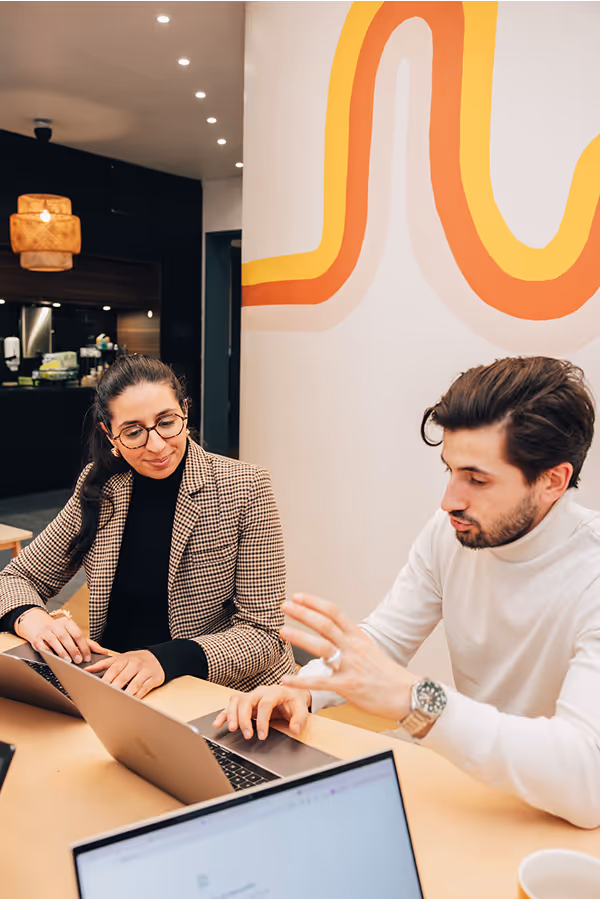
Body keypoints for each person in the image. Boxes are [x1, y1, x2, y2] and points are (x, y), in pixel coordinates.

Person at [215, 356, 600, 828]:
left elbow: (586, 780)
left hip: (551, 819)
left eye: (477, 479)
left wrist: (420, 702)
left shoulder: (591, 572)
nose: (449, 501)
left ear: (552, 481)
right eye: (450, 471)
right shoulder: (450, 532)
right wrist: (302, 691)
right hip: (465, 784)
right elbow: (386, 639)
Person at [0, 355, 295, 697]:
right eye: (134, 432)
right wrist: (31, 618)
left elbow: (263, 633)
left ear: (184, 412)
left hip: (223, 694)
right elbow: (16, 577)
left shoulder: (244, 487)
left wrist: (165, 660)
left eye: (166, 422)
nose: (156, 446)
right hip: (120, 687)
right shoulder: (102, 486)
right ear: (109, 435)